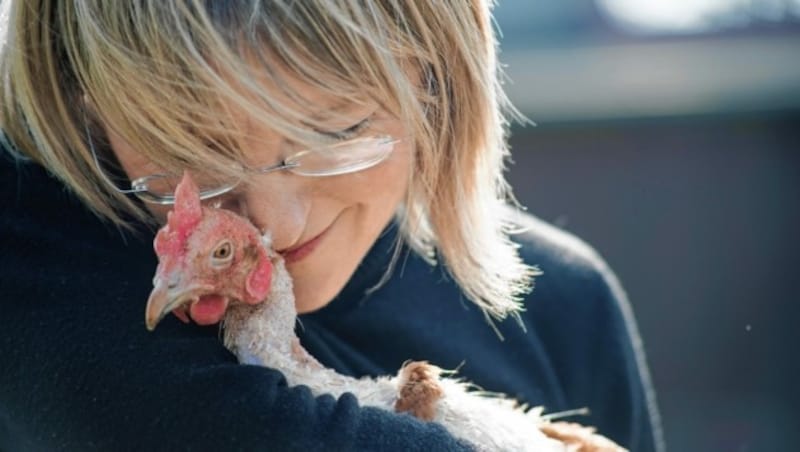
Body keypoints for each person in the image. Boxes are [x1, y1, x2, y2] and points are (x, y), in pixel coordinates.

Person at [0, 1, 664, 450]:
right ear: (78, 92)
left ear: (436, 78)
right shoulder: (29, 255)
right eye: (189, 149)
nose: (277, 222)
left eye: (337, 131)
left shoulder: (563, 307)